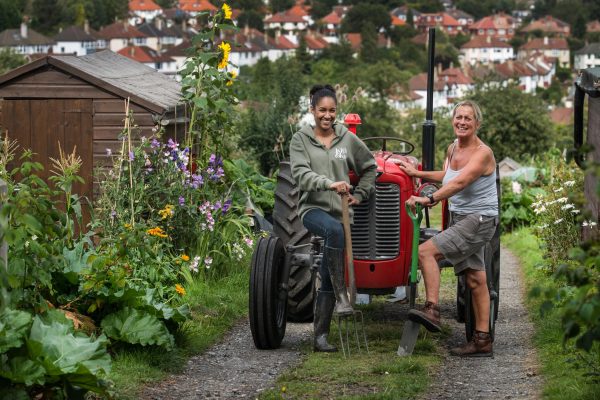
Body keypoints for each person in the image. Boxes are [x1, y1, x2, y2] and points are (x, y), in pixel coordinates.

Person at [398, 100, 498, 357]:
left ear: (477, 123)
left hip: (478, 220)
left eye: (468, 118)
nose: (462, 122)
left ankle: (432, 309)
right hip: (461, 217)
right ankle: (482, 340)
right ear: (453, 120)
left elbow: (462, 182)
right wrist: (416, 173)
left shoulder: (482, 153)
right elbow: (448, 176)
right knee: (476, 279)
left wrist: (429, 199)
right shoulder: (453, 148)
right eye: (459, 117)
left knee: (425, 252)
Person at [290, 84, 377, 352]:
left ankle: (320, 338)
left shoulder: (346, 139)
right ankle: (342, 297)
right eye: (322, 111)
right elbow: (301, 175)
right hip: (313, 209)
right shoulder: (300, 140)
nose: (327, 116)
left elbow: (370, 167)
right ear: (312, 110)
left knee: (327, 272)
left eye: (332, 111)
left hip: (341, 211)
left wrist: (360, 195)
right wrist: (329, 184)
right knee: (335, 232)